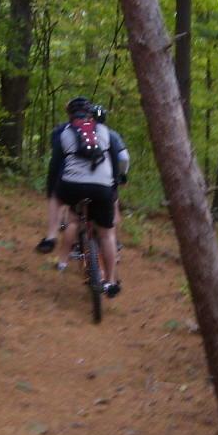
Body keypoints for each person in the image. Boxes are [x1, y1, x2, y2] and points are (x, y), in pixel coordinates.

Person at [40, 96, 129, 297]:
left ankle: (51, 236)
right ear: (90, 114)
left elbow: (55, 166)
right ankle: (110, 281)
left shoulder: (64, 132)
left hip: (72, 186)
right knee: (107, 234)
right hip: (103, 187)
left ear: (69, 114)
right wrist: (114, 186)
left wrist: (53, 190)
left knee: (67, 214)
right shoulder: (106, 132)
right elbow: (118, 161)